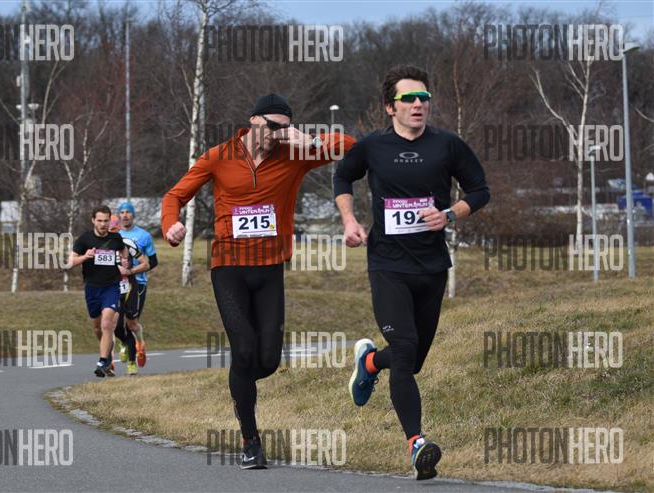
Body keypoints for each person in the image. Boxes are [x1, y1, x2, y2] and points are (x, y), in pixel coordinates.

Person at [162, 93, 354, 469]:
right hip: (228, 267)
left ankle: (241, 387)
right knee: (245, 351)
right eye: (272, 127)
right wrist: (171, 225)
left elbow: (350, 147)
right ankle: (250, 440)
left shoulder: (295, 155)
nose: (277, 135)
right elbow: (175, 195)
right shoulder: (218, 156)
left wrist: (308, 140)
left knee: (266, 361)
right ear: (253, 121)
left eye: (284, 129)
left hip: (269, 269)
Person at [334, 64, 490, 480]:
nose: (418, 104)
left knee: (413, 360)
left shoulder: (448, 145)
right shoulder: (372, 146)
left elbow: (480, 190)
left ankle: (369, 363)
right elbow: (343, 177)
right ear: (391, 107)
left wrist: (450, 214)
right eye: (409, 99)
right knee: (404, 349)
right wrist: (349, 221)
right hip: (388, 264)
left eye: (424, 98)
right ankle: (417, 444)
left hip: (432, 266)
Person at [71, 206, 132, 377]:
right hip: (92, 288)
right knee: (97, 328)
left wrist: (125, 260)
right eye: (99, 221)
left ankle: (103, 361)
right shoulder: (85, 239)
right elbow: (70, 261)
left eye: (106, 221)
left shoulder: (115, 238)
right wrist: (85, 257)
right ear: (93, 220)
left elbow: (123, 250)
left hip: (111, 287)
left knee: (107, 324)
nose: (103, 224)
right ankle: (107, 353)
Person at [115, 202, 157, 369]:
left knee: (131, 323)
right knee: (115, 321)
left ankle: (139, 343)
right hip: (118, 283)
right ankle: (124, 343)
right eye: (122, 212)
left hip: (138, 283)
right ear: (119, 215)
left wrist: (133, 271)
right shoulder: (115, 235)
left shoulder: (144, 236)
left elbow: (153, 261)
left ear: (133, 215)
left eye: (128, 212)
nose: (125, 215)